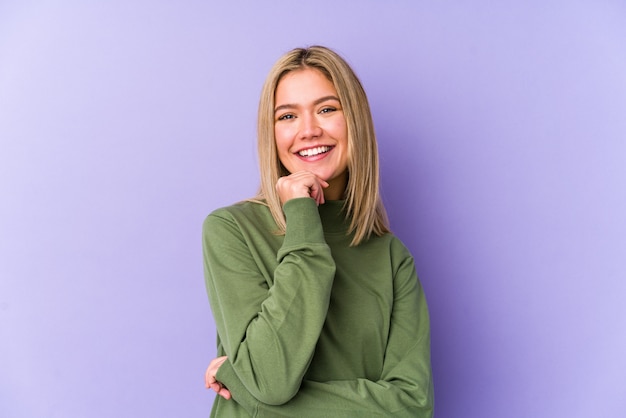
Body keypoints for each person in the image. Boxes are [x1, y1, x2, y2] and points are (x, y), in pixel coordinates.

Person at [202, 45, 434, 417]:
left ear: (353, 120)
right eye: (287, 116)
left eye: (327, 109)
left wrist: (248, 389)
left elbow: (411, 408)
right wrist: (302, 217)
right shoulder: (232, 231)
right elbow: (270, 380)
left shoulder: (392, 257)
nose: (308, 131)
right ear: (272, 133)